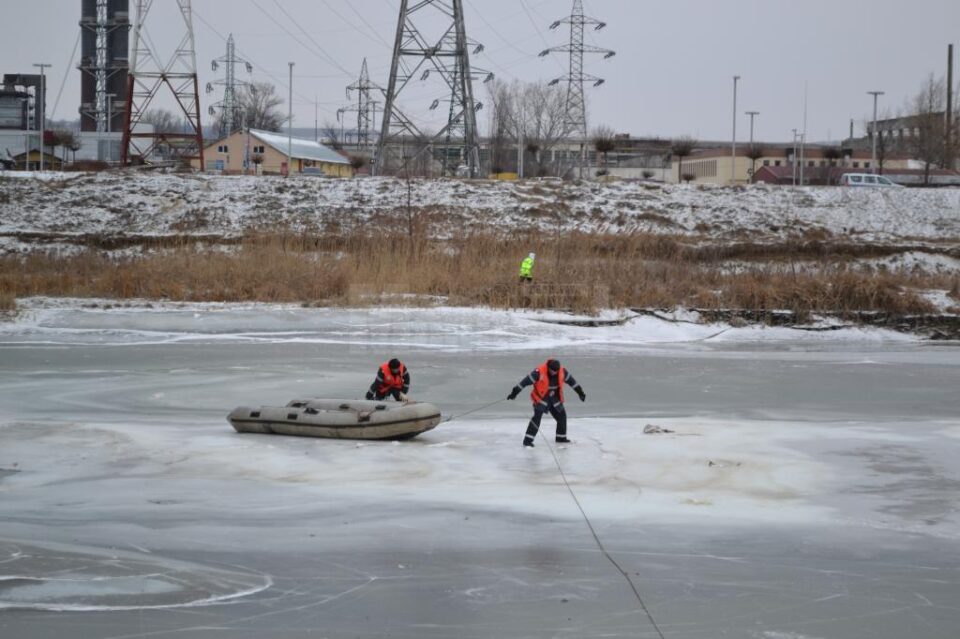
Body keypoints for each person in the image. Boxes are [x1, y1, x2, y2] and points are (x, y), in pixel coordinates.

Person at [507, 358, 585, 447]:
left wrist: (580, 392)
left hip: (555, 397)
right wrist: (514, 392)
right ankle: (527, 441)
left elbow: (572, 382)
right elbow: (524, 382)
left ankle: (561, 438)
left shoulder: (562, 371)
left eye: (556, 371)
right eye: (552, 371)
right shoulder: (538, 372)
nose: (554, 373)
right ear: (548, 367)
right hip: (541, 398)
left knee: (562, 416)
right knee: (537, 418)